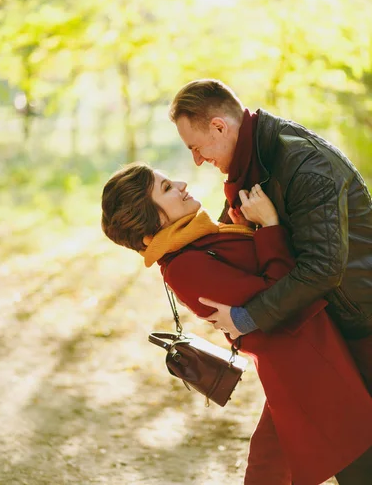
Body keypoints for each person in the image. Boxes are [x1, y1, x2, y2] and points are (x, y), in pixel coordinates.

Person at [101, 163, 372, 485]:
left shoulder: (204, 238)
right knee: (353, 459)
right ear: (154, 222)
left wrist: (250, 228)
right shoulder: (183, 267)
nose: (181, 183)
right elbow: (280, 294)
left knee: (268, 467)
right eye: (166, 188)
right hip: (310, 367)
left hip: (317, 352)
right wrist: (269, 226)